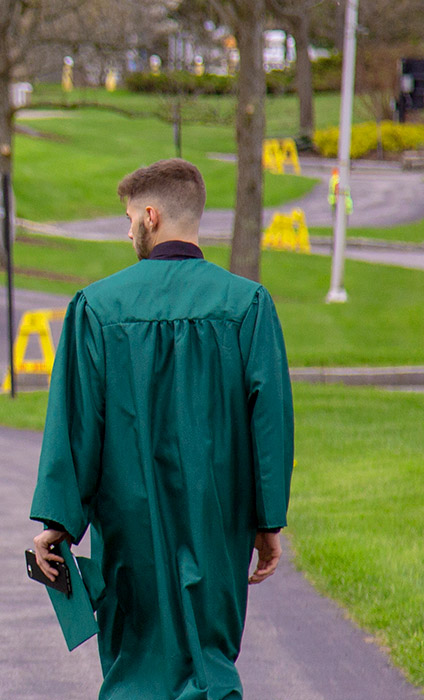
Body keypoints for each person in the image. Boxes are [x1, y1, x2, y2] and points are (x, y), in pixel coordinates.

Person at [29, 159, 294, 700]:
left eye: (129, 219)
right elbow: (271, 423)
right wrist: (268, 522)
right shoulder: (248, 307)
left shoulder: (97, 309)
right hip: (217, 519)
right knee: (210, 657)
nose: (128, 231)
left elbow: (77, 424)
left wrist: (60, 520)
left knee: (137, 662)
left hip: (130, 522)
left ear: (151, 216)